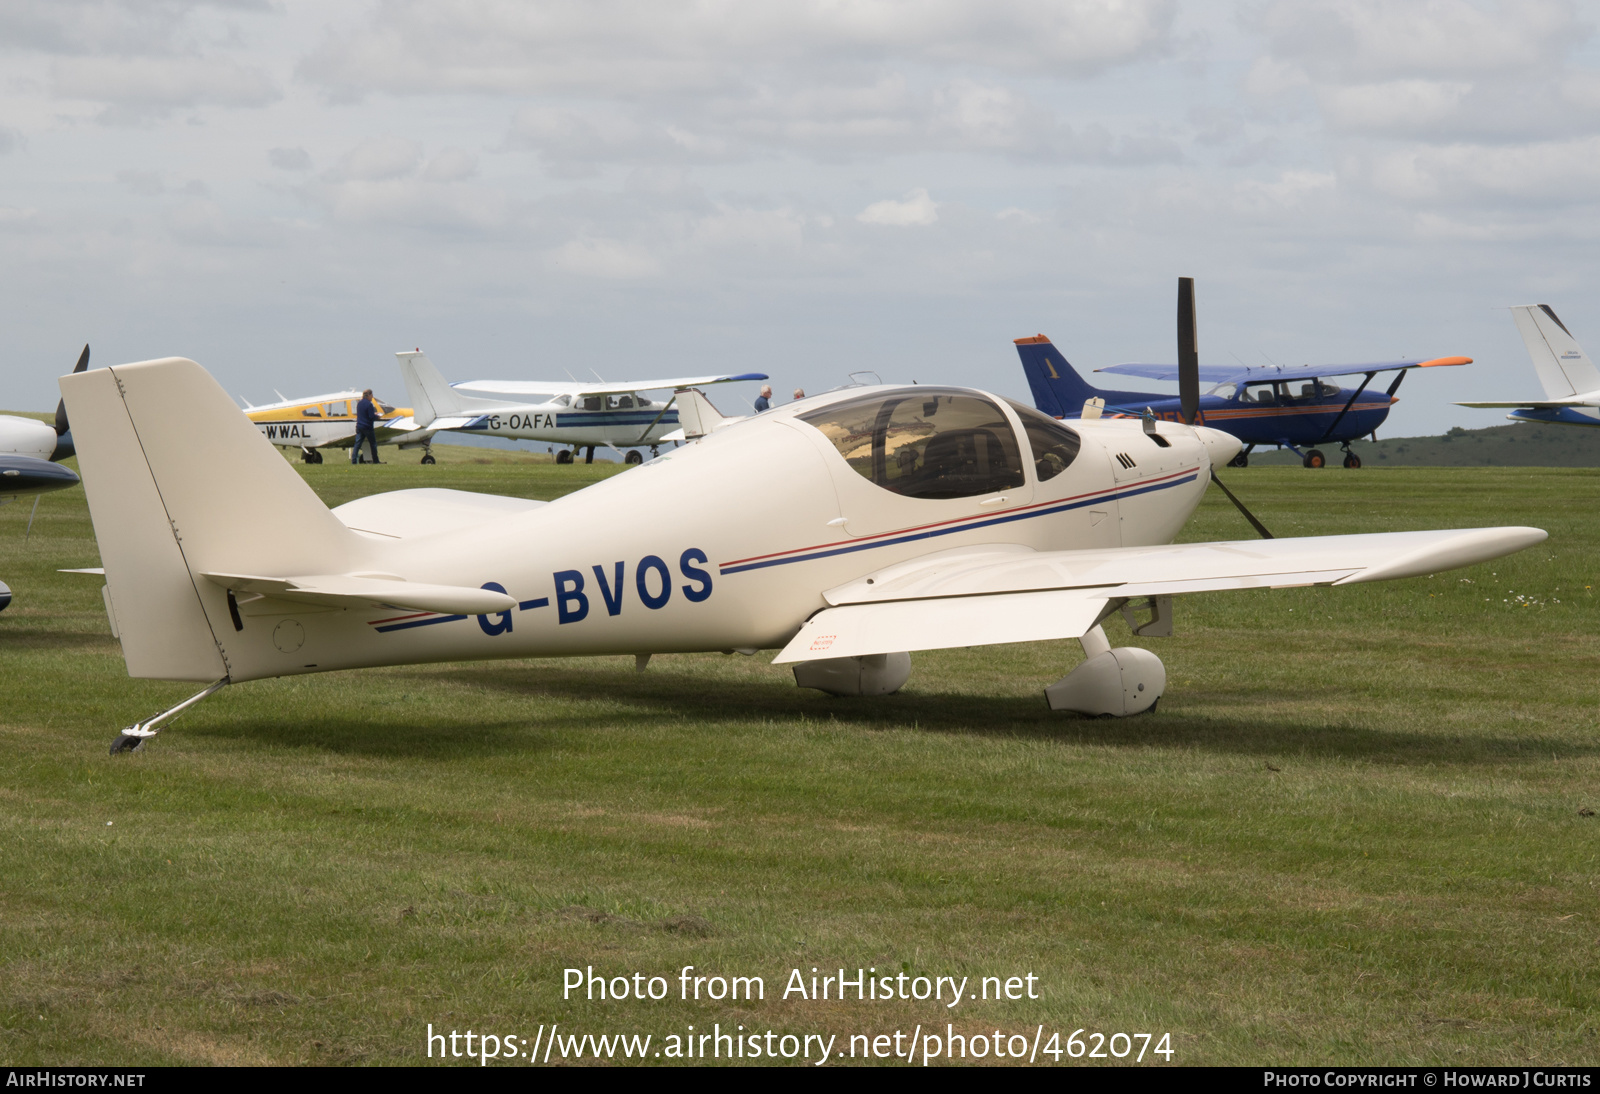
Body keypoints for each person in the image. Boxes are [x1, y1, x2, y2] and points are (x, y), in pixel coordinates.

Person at [352, 388, 381, 464]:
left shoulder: (359, 403)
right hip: (367, 427)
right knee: (373, 444)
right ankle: (375, 460)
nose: (372, 397)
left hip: (359, 426)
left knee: (357, 444)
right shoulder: (369, 404)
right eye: (371, 395)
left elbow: (363, 414)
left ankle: (354, 461)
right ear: (369, 395)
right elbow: (371, 417)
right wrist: (377, 416)